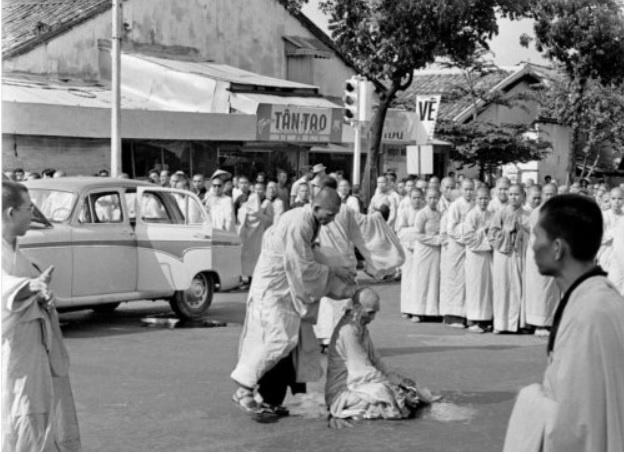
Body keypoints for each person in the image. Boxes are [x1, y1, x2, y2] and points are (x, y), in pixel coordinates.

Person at [504, 194, 623, 452]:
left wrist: (529, 398)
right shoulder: (590, 299)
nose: (533, 246)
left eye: (537, 237)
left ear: (557, 248)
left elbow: (575, 424)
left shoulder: (589, 314)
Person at [231, 188, 356, 417]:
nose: (331, 218)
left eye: (335, 214)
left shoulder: (310, 220)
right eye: (329, 213)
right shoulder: (300, 222)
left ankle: (269, 400)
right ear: (316, 207)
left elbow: (303, 259)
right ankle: (244, 387)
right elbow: (302, 268)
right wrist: (333, 270)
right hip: (274, 291)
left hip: (285, 291)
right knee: (279, 340)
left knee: (287, 347)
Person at [1, 181, 81, 451]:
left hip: (34, 354)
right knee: (16, 418)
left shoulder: (25, 259)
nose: (32, 214)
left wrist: (44, 298)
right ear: (10, 213)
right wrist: (30, 286)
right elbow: (4, 288)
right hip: (13, 357)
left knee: (38, 419)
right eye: (28, 208)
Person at [325, 288, 439, 421]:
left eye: (374, 313)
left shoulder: (360, 326)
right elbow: (363, 370)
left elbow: (377, 362)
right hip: (342, 391)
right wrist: (395, 389)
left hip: (358, 383)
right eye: (370, 313)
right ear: (357, 308)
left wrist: (401, 383)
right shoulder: (348, 331)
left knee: (408, 387)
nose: (373, 318)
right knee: (386, 394)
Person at [488, 184, 531, 334]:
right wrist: (506, 232)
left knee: (518, 287)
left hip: (519, 254)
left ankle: (517, 323)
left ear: (523, 196)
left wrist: (520, 231)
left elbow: (532, 235)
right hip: (503, 254)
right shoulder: (500, 213)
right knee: (502, 287)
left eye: (517, 194)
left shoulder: (527, 215)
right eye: (511, 194)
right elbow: (492, 234)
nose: (513, 197)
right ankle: (500, 324)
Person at [523, 183, 560, 337]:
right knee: (538, 290)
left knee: (552, 291)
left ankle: (550, 322)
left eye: (553, 194)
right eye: (547, 194)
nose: (550, 197)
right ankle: (538, 324)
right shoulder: (537, 213)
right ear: (542, 195)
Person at [442, 179, 475, 328]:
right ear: (460, 189)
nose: (468, 192)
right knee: (456, 280)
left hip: (470, 246)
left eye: (471, 189)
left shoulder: (475, 205)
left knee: (469, 281)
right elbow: (451, 228)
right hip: (457, 245)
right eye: (466, 189)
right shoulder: (455, 206)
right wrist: (466, 232)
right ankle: (454, 316)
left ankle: (469, 314)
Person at [463, 187, 493, 333]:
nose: (483, 201)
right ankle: (473, 319)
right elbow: (468, 237)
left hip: (486, 256)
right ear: (475, 199)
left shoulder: (491, 214)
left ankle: (484, 318)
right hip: (475, 256)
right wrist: (484, 231)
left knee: (485, 287)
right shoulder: (471, 215)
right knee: (475, 287)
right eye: (480, 198)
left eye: (485, 198)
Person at [409, 188, 442, 320]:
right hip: (423, 250)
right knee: (421, 279)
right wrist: (433, 239)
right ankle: (417, 311)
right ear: (425, 199)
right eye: (430, 198)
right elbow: (417, 234)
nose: (433, 200)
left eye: (435, 198)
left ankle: (431, 311)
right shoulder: (422, 214)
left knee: (434, 279)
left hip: (435, 251)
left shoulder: (440, 214)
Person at [397, 188, 425, 321]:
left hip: (422, 249)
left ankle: (418, 310)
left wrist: (418, 233)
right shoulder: (404, 211)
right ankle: (407, 308)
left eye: (419, 197)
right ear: (410, 198)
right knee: (408, 278)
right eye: (414, 198)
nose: (417, 200)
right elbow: (400, 230)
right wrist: (415, 232)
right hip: (408, 249)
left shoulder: (425, 212)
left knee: (419, 278)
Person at [237, 182, 274, 279]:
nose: (258, 191)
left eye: (260, 189)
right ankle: (248, 277)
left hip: (261, 235)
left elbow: (270, 220)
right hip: (250, 235)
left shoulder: (267, 203)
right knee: (248, 256)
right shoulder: (250, 202)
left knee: (259, 256)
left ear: (265, 191)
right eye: (256, 189)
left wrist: (260, 216)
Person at [597, 187, 623, 271]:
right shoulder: (604, 216)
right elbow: (598, 238)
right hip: (606, 254)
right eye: (613, 199)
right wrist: (613, 233)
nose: (617, 202)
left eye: (620, 199)